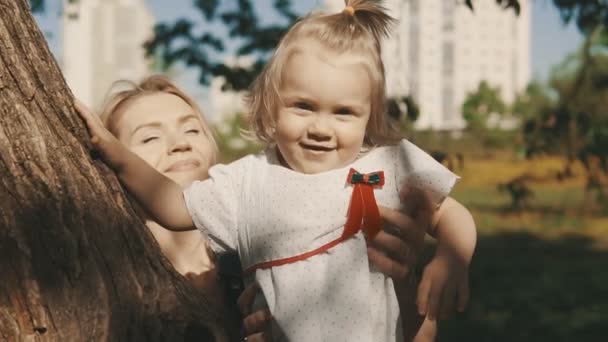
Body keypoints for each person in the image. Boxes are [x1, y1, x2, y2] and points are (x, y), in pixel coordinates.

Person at [77, 0, 477, 339]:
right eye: (303, 106)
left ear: (369, 117)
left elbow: (450, 214)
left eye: (344, 113)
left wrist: (451, 259)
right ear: (271, 103)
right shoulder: (247, 180)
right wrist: (116, 155)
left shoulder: (385, 163)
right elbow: (175, 206)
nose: (321, 128)